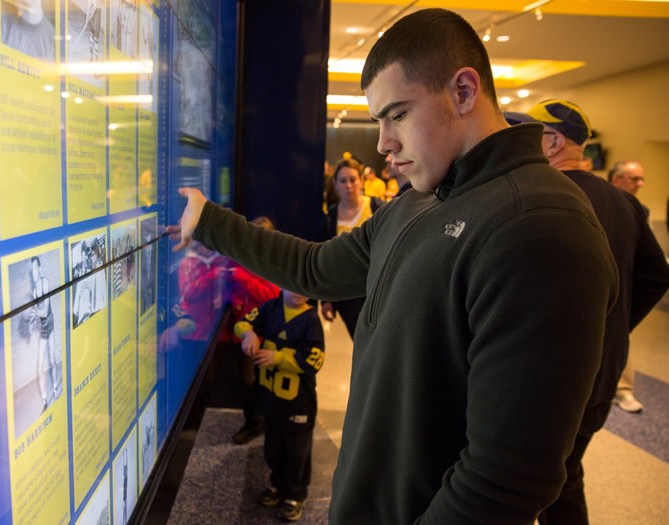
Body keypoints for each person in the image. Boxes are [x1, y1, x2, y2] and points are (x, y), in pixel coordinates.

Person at [167, 8, 620, 522]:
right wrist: (210, 222)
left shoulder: (541, 226)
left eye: (398, 114)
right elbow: (316, 269)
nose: (383, 143)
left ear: (465, 92)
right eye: (379, 119)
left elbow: (503, 480)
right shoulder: (418, 199)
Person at [505, 100, 669, 523]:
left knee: (548, 483)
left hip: (551, 376)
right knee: (562, 474)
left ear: (555, 141)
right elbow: (656, 277)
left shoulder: (544, 195)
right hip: (603, 372)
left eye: (531, 134)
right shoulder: (626, 204)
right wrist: (614, 325)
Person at [235, 289, 325, 522]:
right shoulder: (270, 308)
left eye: (304, 285)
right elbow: (243, 323)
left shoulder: (311, 320)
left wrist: (278, 358)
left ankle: (295, 495)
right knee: (273, 448)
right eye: (292, 284)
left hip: (298, 403)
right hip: (271, 400)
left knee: (297, 452)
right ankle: (277, 484)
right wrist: (249, 335)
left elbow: (315, 359)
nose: (298, 291)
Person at [224, 216, 281, 445]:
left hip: (266, 331)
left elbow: (271, 295)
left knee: (254, 380)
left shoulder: (274, 261)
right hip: (243, 329)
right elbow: (233, 291)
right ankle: (254, 421)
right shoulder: (241, 259)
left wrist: (241, 278)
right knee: (246, 380)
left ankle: (257, 422)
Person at [606, 159, 655, 412]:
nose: (640, 184)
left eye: (641, 179)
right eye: (635, 179)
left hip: (624, 281)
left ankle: (623, 390)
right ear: (617, 179)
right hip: (601, 279)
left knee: (620, 334)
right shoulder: (596, 201)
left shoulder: (641, 210)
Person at [321, 158, 382, 338]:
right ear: (336, 185)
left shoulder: (376, 207)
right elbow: (327, 259)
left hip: (377, 289)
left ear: (361, 181)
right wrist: (326, 299)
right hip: (346, 294)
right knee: (360, 342)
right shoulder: (330, 217)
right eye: (343, 180)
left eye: (353, 179)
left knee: (380, 343)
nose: (349, 185)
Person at [30, 256, 60, 413]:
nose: (34, 272)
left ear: (40, 269)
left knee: (53, 359)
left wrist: (35, 313)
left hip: (50, 322)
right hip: (42, 327)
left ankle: (55, 388)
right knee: (39, 367)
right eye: (32, 270)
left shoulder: (45, 283)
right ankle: (44, 400)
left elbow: (45, 309)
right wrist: (31, 321)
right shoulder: (35, 291)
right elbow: (35, 317)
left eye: (36, 268)